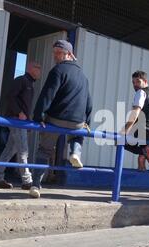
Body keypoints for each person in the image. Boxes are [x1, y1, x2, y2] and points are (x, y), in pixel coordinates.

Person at [30, 40, 93, 199]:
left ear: (69, 54)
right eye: (54, 53)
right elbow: (89, 102)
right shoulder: (83, 77)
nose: (55, 56)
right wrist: (88, 122)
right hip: (77, 121)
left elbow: (47, 95)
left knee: (44, 150)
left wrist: (38, 117)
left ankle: (36, 184)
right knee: (77, 134)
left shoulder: (57, 70)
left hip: (56, 119)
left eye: (59, 53)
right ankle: (75, 152)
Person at [0, 62, 41, 190]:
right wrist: (19, 113)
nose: (40, 71)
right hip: (16, 121)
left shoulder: (29, 84)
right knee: (23, 150)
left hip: (21, 122)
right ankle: (27, 181)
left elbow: (24, 105)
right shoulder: (21, 80)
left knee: (9, 151)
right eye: (37, 68)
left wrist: (27, 121)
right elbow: (10, 97)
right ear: (30, 68)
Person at [121, 71, 149, 171]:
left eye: (138, 81)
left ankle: (143, 151)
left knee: (119, 141)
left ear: (145, 81)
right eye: (133, 82)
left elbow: (134, 115)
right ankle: (142, 161)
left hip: (144, 130)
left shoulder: (141, 93)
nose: (135, 85)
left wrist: (123, 132)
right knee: (141, 139)